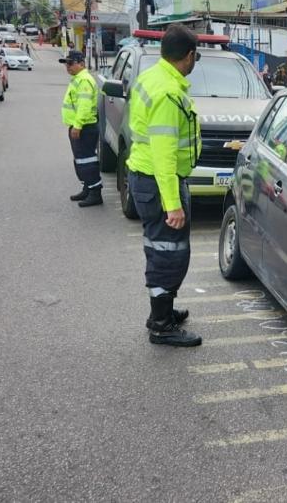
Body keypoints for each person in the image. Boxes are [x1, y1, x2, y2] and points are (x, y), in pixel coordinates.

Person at [126, 24, 202, 347]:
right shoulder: (169, 94)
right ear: (188, 56)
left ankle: (163, 310)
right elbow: (164, 155)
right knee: (167, 252)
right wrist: (173, 204)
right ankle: (161, 325)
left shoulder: (152, 77)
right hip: (159, 183)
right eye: (195, 56)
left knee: (160, 247)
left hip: (147, 178)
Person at [58, 49, 103, 207]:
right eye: (66, 64)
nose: (67, 67)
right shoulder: (78, 78)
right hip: (79, 126)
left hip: (84, 127)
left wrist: (77, 126)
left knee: (87, 161)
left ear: (82, 64)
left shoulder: (84, 80)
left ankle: (95, 193)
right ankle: (88, 188)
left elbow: (84, 106)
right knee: (81, 161)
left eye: (70, 63)